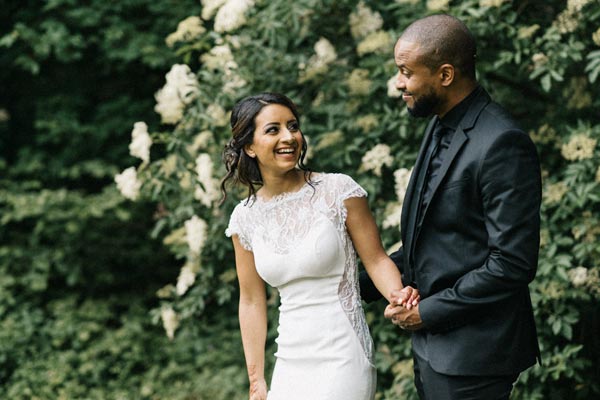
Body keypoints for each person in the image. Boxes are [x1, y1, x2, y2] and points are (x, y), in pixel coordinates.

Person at [359, 14, 542, 400]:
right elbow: (437, 241)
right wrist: (349, 283)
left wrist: (427, 312)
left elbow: (512, 263)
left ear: (445, 75)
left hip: (476, 356)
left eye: (406, 72)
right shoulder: (440, 122)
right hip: (434, 351)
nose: (398, 83)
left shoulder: (502, 141)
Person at [221, 92, 419, 400]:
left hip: (342, 353)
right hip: (289, 358)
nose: (289, 137)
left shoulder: (339, 191)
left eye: (293, 126)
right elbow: (250, 301)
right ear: (249, 146)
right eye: (273, 129)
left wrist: (398, 295)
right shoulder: (244, 218)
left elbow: (377, 260)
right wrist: (256, 378)